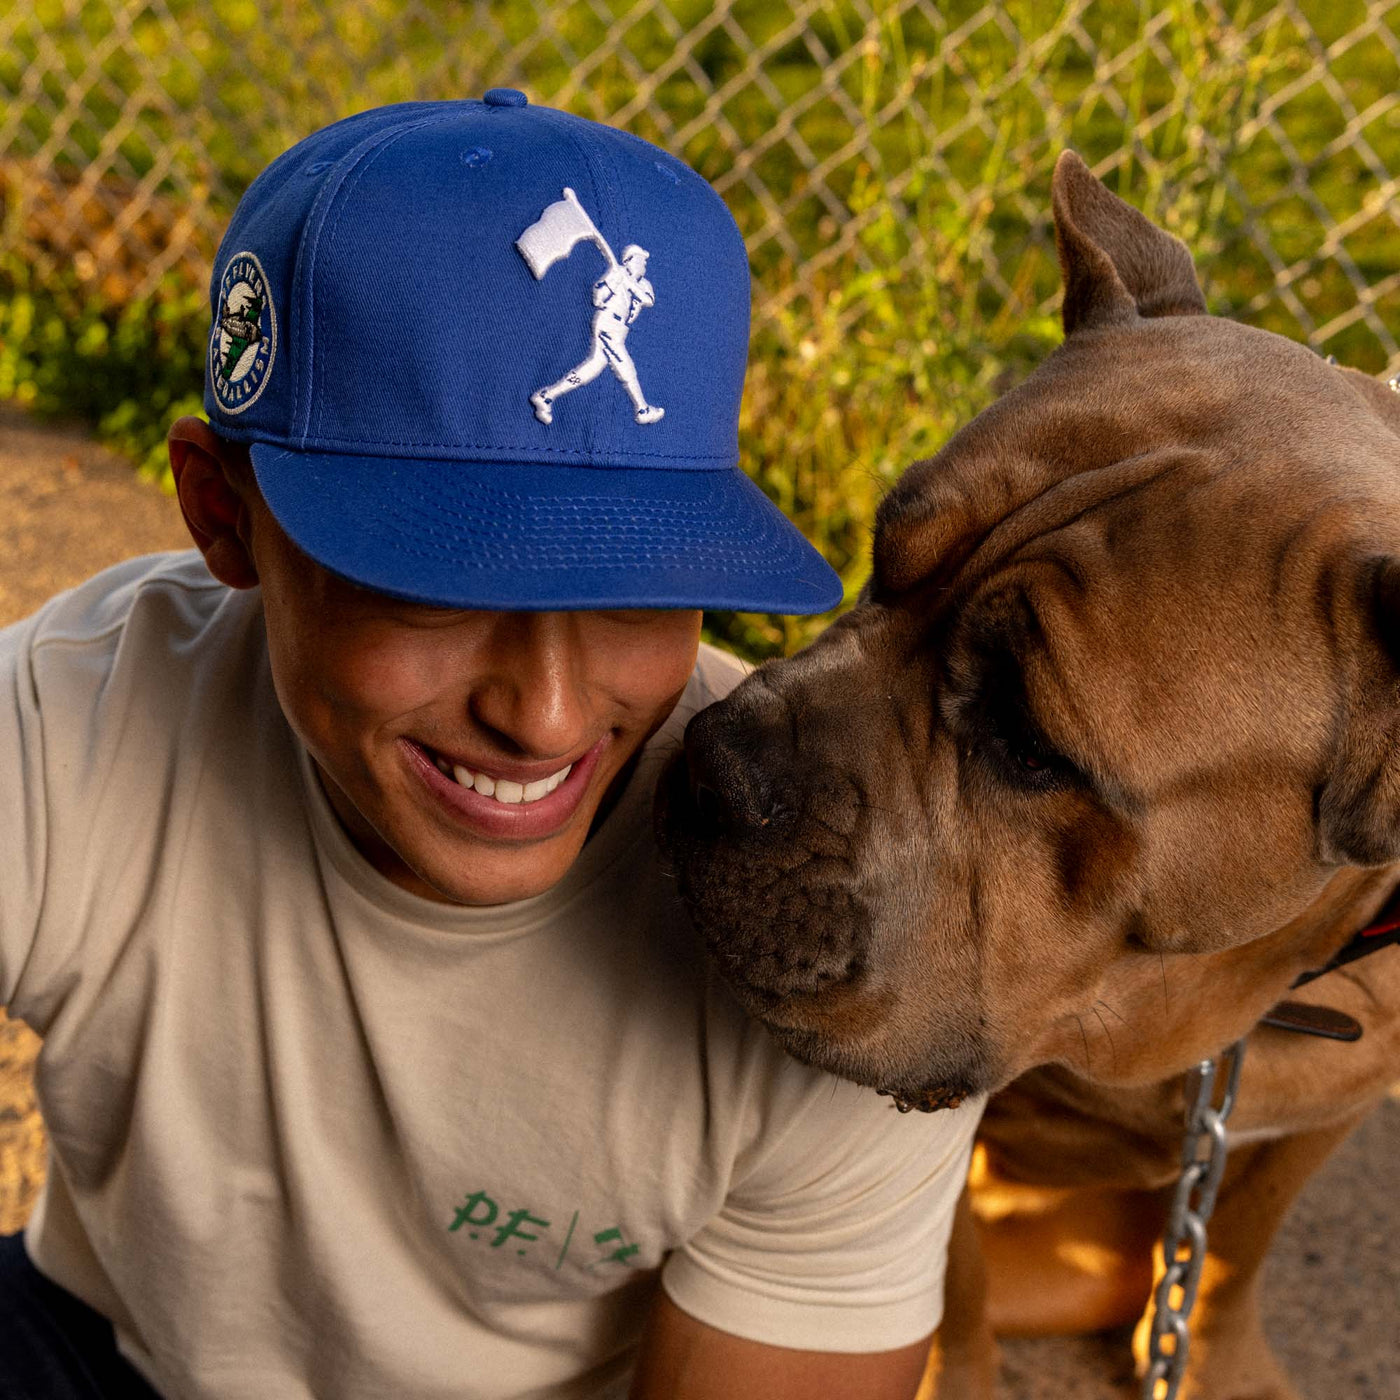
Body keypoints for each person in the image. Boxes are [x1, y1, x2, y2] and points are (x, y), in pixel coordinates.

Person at [0, 93, 983, 1399]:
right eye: (435, 586)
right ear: (221, 516)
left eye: (637, 588)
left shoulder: (831, 927)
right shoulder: (78, 723)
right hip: (94, 1351)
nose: (551, 713)